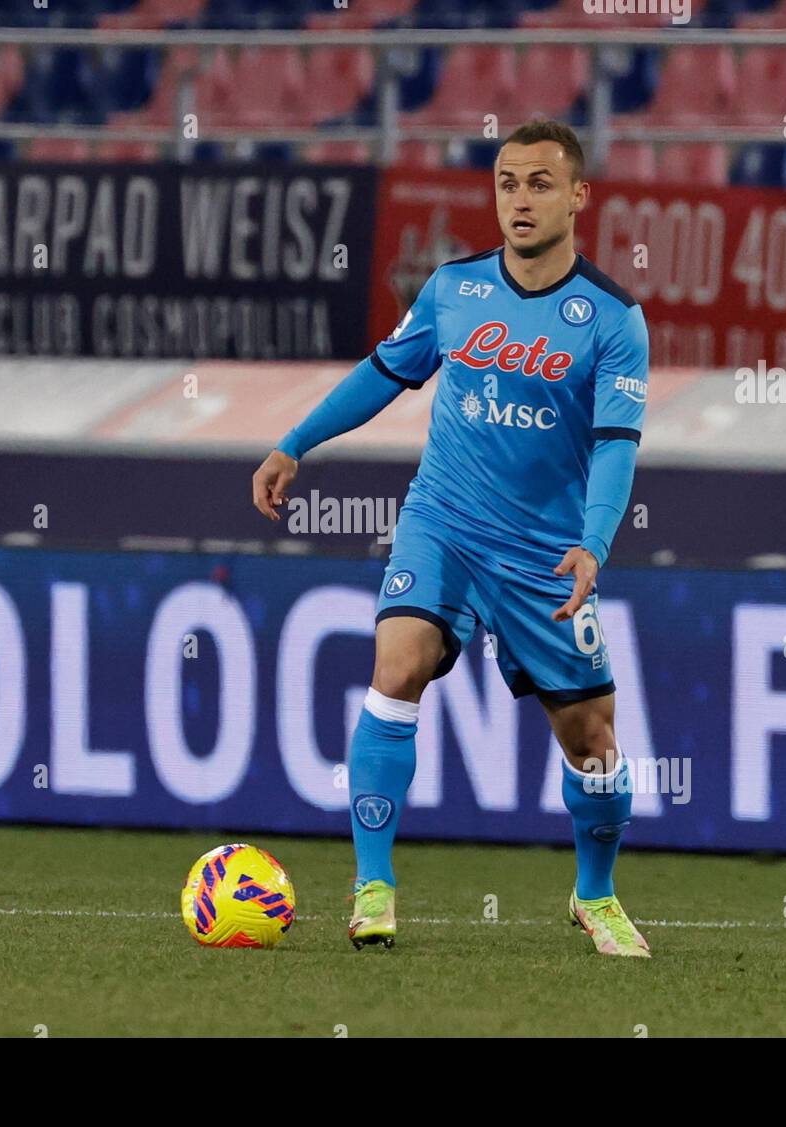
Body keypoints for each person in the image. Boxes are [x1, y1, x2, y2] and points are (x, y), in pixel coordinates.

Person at [252, 120, 651, 958]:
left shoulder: (613, 320)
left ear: (579, 196)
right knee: (396, 665)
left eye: (540, 183)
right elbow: (382, 373)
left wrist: (595, 542)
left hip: (545, 552)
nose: (520, 200)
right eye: (507, 182)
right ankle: (373, 884)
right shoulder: (453, 290)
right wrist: (295, 443)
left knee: (594, 741)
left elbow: (616, 444)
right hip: (442, 522)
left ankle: (596, 894)